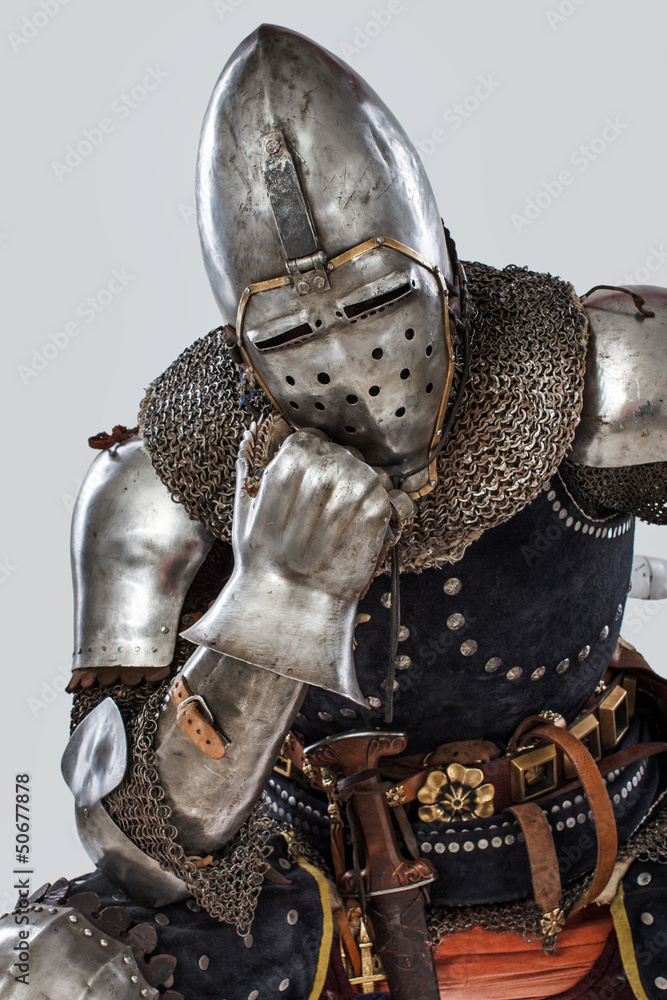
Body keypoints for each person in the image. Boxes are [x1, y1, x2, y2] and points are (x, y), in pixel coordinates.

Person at [1, 23, 666, 1000]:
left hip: (612, 831)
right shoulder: (162, 484)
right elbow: (135, 842)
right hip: (305, 878)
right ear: (245, 349)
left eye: (378, 302)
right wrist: (278, 598)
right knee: (41, 970)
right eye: (292, 334)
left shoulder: (602, 374)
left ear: (439, 266)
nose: (354, 362)